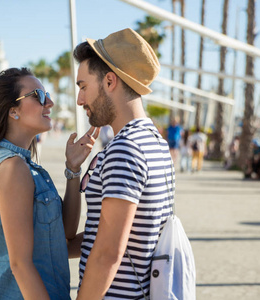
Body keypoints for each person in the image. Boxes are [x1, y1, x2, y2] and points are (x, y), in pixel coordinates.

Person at [0, 68, 98, 300]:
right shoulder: (13, 168)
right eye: (39, 95)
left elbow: (64, 234)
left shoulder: (24, 166)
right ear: (12, 110)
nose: (50, 102)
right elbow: (20, 265)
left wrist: (73, 170)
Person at [70, 28, 174, 299]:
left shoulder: (125, 149)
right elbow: (130, 236)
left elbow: (107, 254)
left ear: (109, 81)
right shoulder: (156, 143)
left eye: (83, 87)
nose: (80, 100)